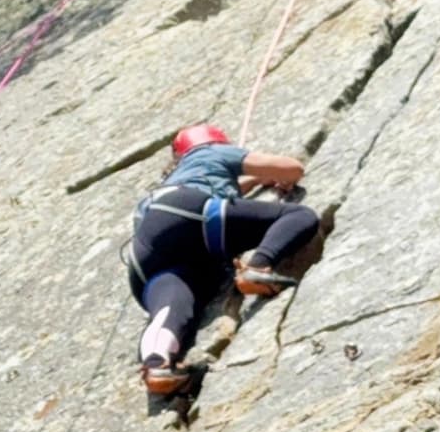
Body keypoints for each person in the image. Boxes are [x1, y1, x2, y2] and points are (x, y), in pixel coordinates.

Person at [128, 122, 320, 397]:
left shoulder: (171, 182)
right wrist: (261, 171)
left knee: (172, 307)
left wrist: (251, 181)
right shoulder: (209, 152)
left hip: (147, 258)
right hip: (193, 219)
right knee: (297, 216)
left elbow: (199, 195)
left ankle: (157, 365)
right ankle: (258, 266)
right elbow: (291, 168)